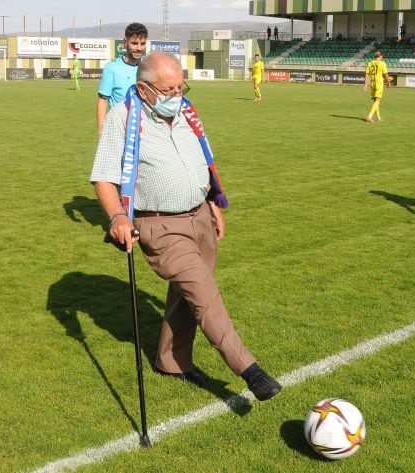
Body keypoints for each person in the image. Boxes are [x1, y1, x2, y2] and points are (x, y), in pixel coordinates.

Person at [90, 51, 282, 402]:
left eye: (181, 86)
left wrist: (211, 204)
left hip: (201, 218)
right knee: (203, 293)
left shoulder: (185, 112)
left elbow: (200, 162)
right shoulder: (123, 118)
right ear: (145, 89)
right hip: (160, 227)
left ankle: (170, 360)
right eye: (169, 89)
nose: (177, 95)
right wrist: (118, 216)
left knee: (186, 295)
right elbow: (103, 177)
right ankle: (249, 369)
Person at [96, 22, 148, 135]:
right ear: (125, 41)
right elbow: (103, 100)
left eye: (142, 43)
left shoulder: (148, 67)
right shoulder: (111, 68)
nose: (139, 48)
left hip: (145, 131)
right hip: (119, 131)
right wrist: (101, 132)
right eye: (134, 43)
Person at [363, 50, 391, 122]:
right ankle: (370, 116)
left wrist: (366, 84)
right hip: (379, 83)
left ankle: (378, 117)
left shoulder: (370, 63)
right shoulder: (382, 63)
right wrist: (388, 82)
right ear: (380, 56)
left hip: (372, 83)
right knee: (378, 100)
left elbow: (366, 73)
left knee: (375, 100)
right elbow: (386, 74)